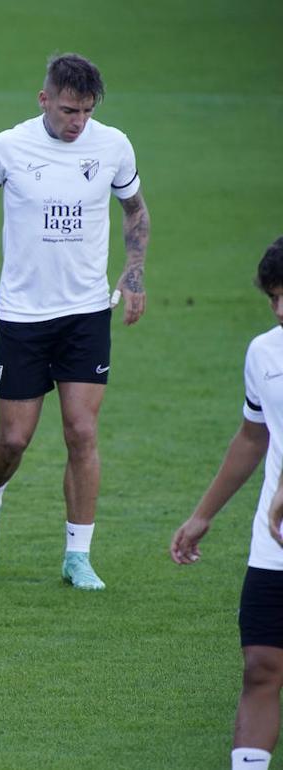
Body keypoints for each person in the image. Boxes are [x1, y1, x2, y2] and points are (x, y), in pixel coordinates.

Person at [0, 53, 152, 590]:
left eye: (87, 111)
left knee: (82, 432)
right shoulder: (9, 147)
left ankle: (78, 555)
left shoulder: (113, 146)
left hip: (86, 312)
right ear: (44, 100)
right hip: (22, 315)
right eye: (69, 110)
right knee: (13, 440)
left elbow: (135, 209)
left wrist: (133, 272)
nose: (78, 122)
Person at [172, 237, 283, 769]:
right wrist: (202, 514)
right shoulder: (265, 353)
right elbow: (252, 437)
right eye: (273, 298)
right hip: (276, 538)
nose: (281, 309)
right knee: (261, 664)